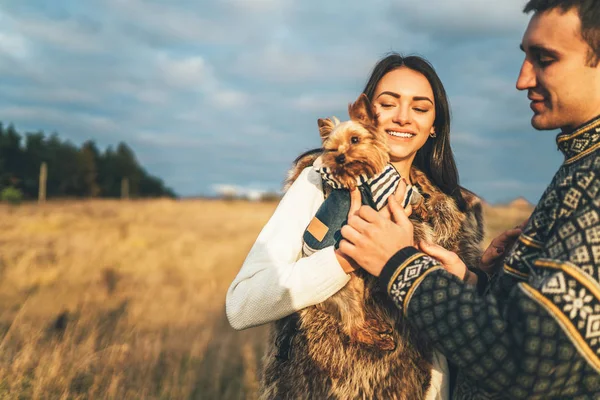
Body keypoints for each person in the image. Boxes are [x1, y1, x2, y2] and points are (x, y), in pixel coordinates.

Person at [339, 1, 600, 398]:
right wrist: (475, 282)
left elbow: (532, 364)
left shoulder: (593, 179)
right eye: (525, 57)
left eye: (545, 59)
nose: (522, 80)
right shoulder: (580, 164)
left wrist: (400, 264)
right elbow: (541, 329)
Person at [226, 54, 517, 398]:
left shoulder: (456, 208)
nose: (403, 117)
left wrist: (476, 277)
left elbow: (466, 332)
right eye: (388, 103)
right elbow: (242, 306)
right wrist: (344, 259)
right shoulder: (319, 183)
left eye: (421, 108)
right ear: (366, 115)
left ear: (435, 125)